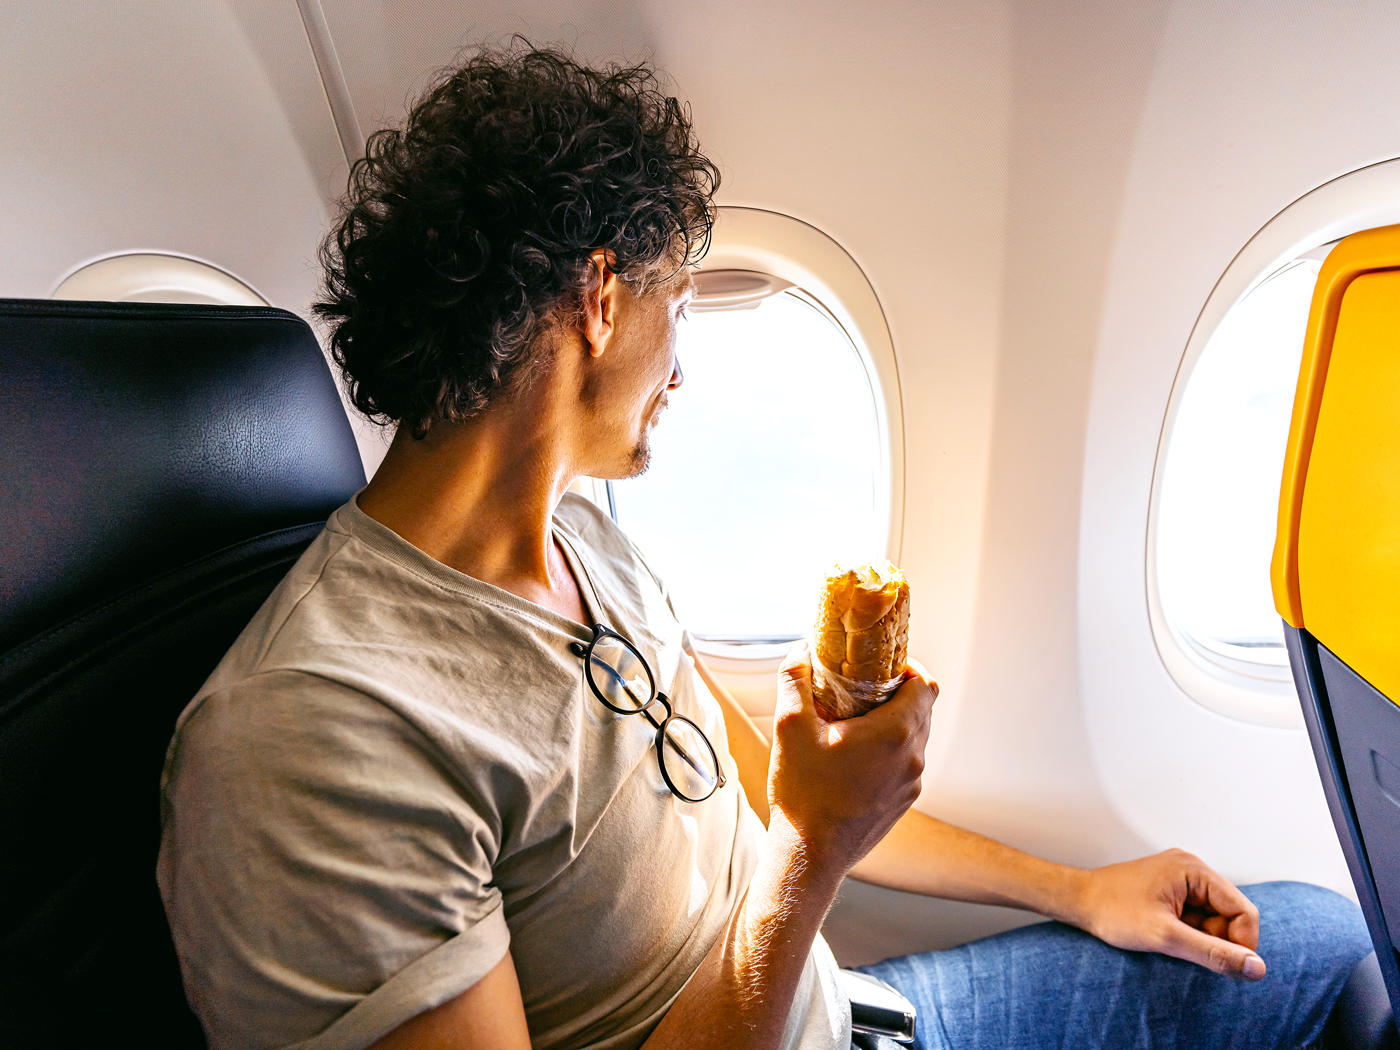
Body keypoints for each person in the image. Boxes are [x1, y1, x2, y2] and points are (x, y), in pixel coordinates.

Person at [157, 45, 1372, 1050]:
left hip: (855, 1017)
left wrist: (1077, 888)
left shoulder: (584, 537)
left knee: (1320, 947)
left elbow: (755, 789)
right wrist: (813, 852)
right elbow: (797, 831)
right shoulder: (315, 737)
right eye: (677, 303)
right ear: (597, 298)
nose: (680, 370)